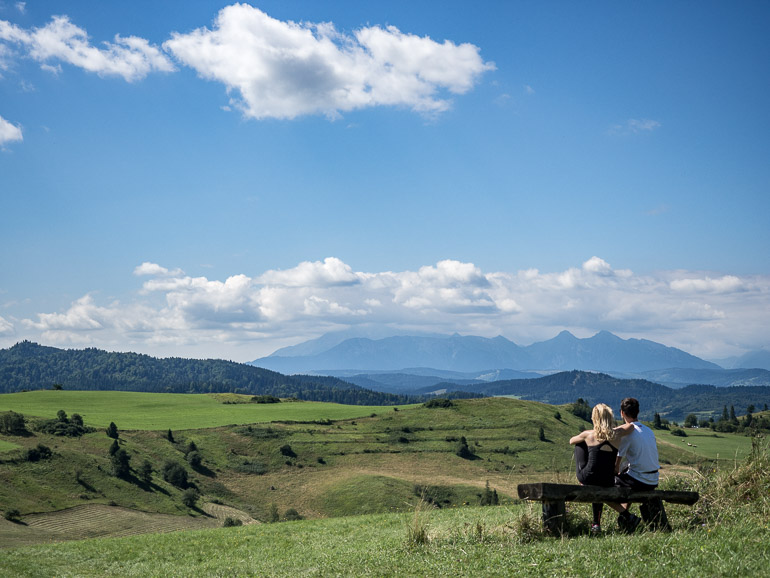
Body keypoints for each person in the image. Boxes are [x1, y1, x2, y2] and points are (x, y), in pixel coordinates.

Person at [569, 403, 622, 534]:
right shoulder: (616, 436)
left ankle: (583, 481)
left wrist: (585, 440)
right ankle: (596, 524)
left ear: (595, 418)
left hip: (589, 477)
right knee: (599, 482)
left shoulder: (589, 435)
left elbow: (571, 440)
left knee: (579, 445)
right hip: (608, 479)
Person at [610, 397, 661, 533]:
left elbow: (617, 464)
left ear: (622, 413)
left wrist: (614, 470)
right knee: (628, 473)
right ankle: (626, 518)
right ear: (638, 412)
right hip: (653, 480)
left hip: (640, 480)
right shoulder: (648, 430)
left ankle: (626, 515)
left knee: (605, 486)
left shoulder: (628, 434)